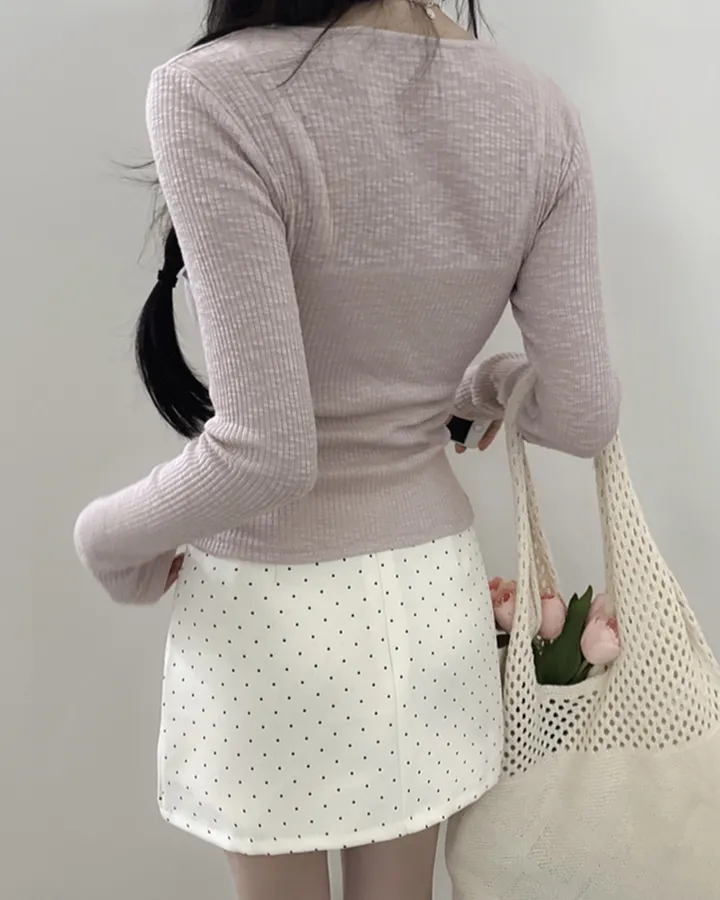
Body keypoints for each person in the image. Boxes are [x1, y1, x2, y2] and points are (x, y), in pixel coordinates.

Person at [73, 0, 620, 897]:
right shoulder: (537, 109)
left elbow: (267, 451)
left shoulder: (213, 91)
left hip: (273, 617)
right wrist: (482, 385)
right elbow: (584, 413)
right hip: (430, 600)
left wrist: (106, 538)